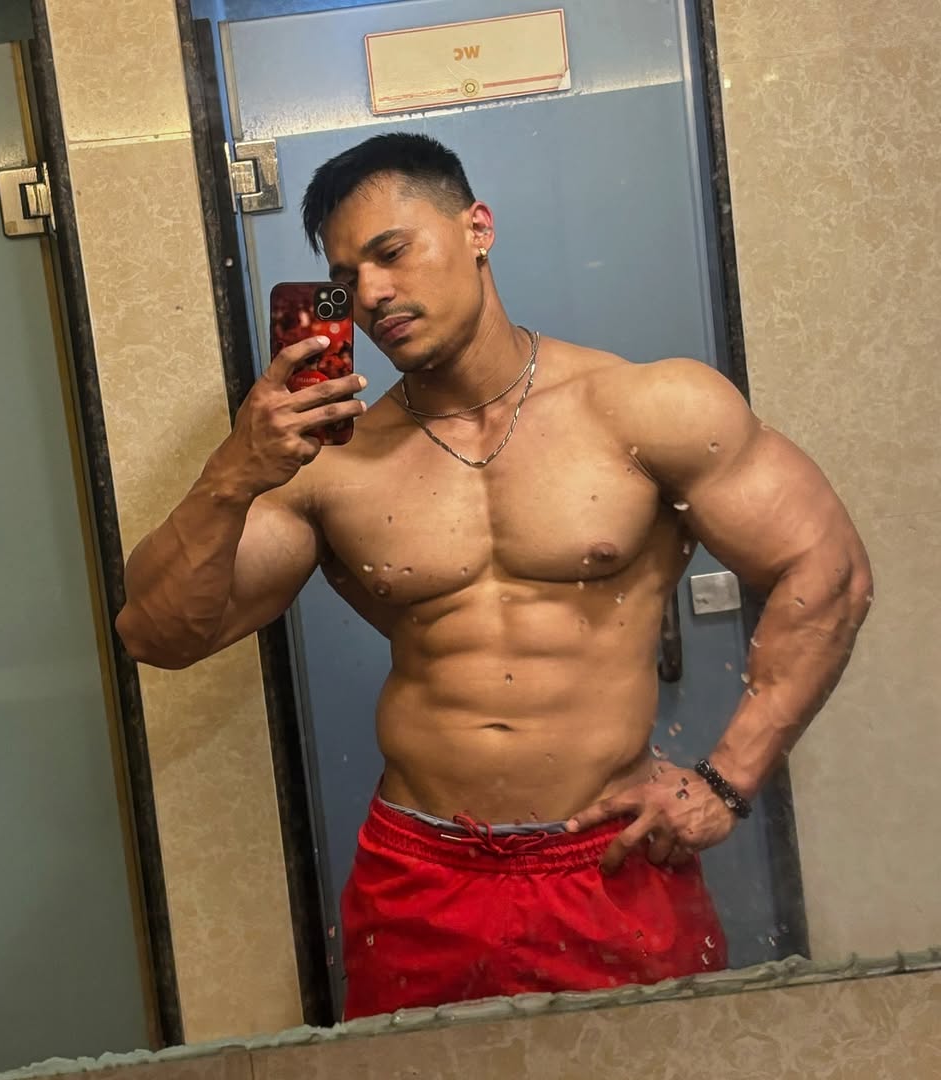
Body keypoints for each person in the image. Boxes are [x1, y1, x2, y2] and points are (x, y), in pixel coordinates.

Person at [115, 133, 873, 1018]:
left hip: (611, 863)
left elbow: (829, 569)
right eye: (347, 277)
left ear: (477, 228)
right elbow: (159, 635)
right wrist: (231, 476)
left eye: (392, 251)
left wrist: (727, 780)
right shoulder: (329, 465)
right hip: (419, 877)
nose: (372, 294)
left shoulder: (646, 407)